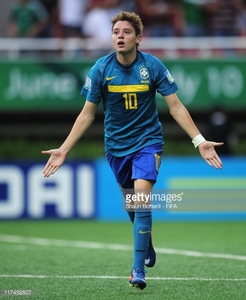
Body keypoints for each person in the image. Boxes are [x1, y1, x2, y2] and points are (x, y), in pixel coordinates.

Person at [42, 11, 223, 290]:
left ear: (138, 38)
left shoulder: (152, 66)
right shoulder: (100, 69)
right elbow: (87, 115)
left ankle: (137, 269)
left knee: (141, 198)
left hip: (148, 142)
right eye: (116, 32)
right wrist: (64, 149)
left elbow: (175, 106)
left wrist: (199, 140)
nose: (120, 37)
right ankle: (146, 240)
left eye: (126, 32)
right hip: (116, 147)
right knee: (133, 206)